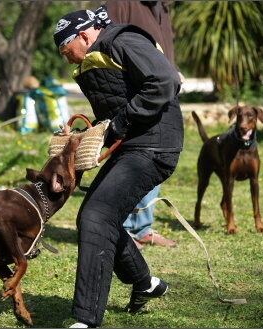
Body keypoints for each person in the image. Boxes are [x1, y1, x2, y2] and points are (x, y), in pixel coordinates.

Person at [53, 5, 183, 328]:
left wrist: (123, 121)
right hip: (131, 146)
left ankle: (86, 320)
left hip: (155, 144)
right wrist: (82, 137)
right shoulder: (92, 58)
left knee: (99, 216)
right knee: (91, 217)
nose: (67, 59)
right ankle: (145, 283)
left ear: (83, 35)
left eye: (66, 51)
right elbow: (114, 109)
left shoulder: (122, 41)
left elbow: (165, 81)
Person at [105, 1, 184, 250]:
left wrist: (173, 69)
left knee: (155, 156)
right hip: (137, 91)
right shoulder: (122, 3)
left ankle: (141, 228)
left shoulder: (162, 7)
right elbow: (107, 40)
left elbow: (163, 48)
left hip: (162, 87)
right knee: (135, 159)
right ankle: (126, 229)